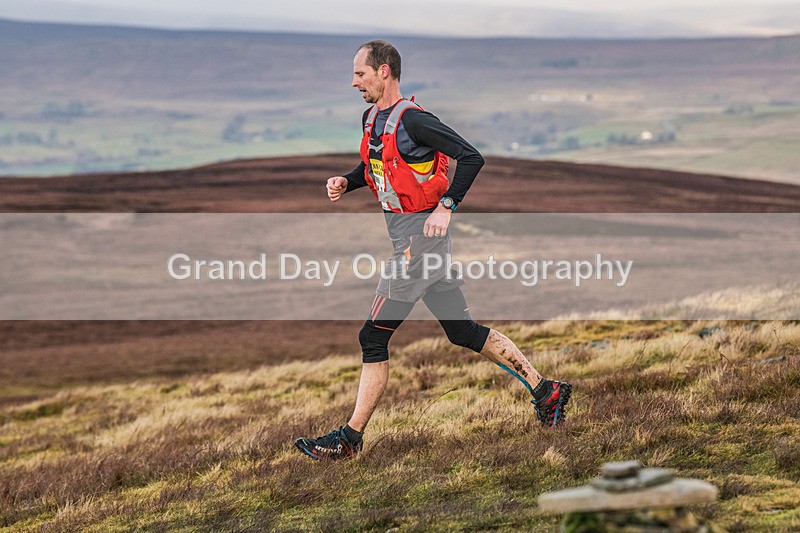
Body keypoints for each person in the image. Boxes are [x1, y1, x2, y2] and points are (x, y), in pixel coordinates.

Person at [294, 40, 571, 460]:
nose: (354, 82)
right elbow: (376, 168)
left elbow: (471, 157)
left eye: (360, 74)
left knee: (372, 337)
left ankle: (348, 440)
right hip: (418, 243)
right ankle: (547, 391)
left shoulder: (415, 120)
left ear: (384, 71)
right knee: (462, 332)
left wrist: (447, 206)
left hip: (418, 245)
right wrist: (346, 182)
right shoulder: (372, 118)